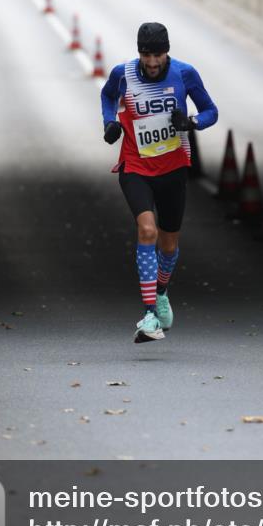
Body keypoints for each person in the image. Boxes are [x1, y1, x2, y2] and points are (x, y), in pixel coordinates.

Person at [101, 22, 218, 343]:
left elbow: (211, 111)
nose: (152, 62)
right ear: (139, 52)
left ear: (167, 53)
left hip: (173, 167)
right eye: (146, 55)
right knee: (147, 231)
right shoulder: (122, 73)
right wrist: (110, 122)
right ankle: (150, 313)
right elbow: (107, 95)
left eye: (158, 55)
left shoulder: (184, 74)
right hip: (135, 165)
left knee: (168, 243)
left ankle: (161, 291)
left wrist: (191, 122)